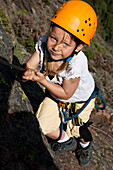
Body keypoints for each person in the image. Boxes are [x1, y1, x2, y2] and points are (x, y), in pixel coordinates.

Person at [22, 0, 97, 167]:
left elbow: (67, 93)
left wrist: (41, 80)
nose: (56, 47)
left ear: (79, 47)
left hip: (79, 101)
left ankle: (85, 143)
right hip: (56, 95)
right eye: (53, 38)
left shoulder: (76, 64)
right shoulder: (44, 44)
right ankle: (66, 140)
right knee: (43, 124)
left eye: (65, 44)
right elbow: (31, 64)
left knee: (78, 129)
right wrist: (28, 71)